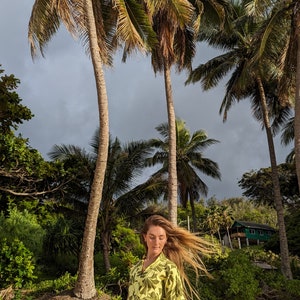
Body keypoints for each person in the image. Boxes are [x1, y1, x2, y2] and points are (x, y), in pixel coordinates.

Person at [127, 214, 214, 300]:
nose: (156, 242)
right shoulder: (135, 268)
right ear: (145, 237)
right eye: (152, 237)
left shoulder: (169, 268)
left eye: (161, 238)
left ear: (166, 239)